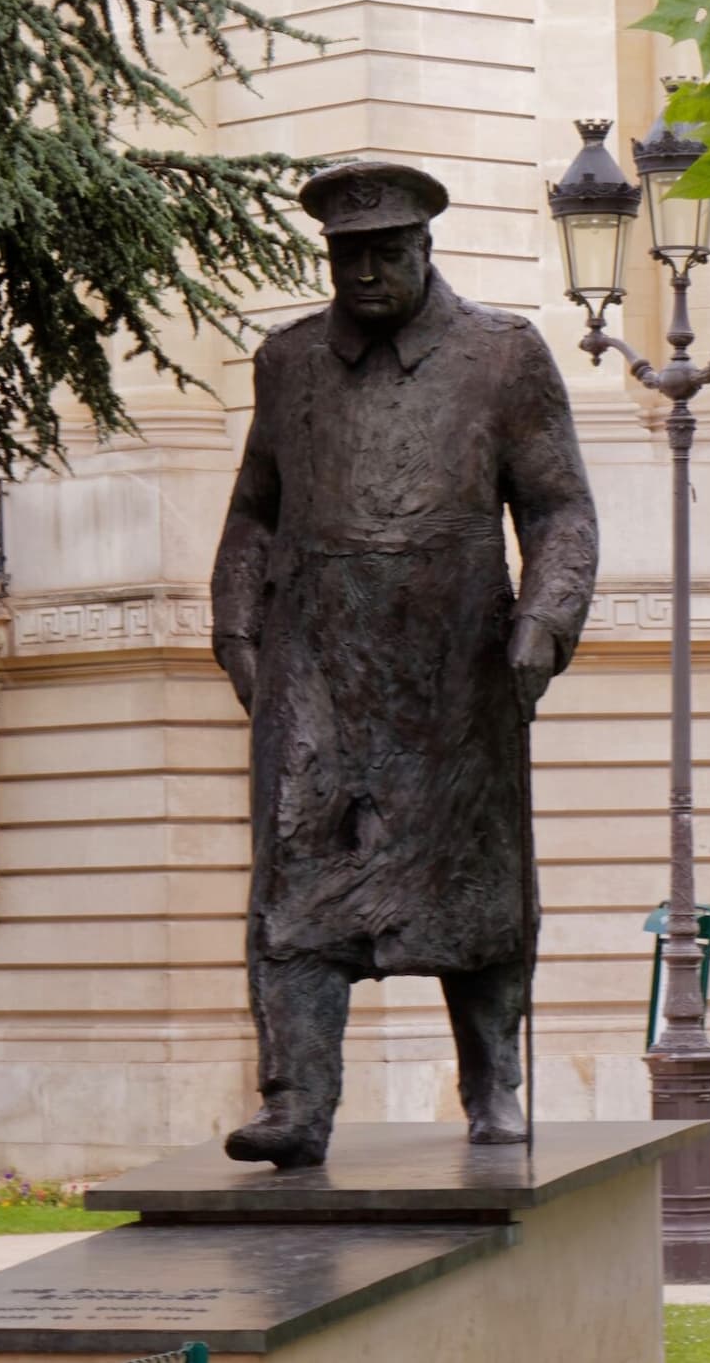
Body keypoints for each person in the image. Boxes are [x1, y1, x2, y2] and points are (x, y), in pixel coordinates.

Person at [210, 160, 599, 1168]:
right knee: (296, 873)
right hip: (316, 661)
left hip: (456, 663)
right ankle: (296, 1098)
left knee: (477, 879)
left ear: (426, 250)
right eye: (348, 255)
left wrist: (544, 626)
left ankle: (494, 1081)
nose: (366, 271)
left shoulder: (503, 354)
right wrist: (234, 626)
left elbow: (558, 507)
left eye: (387, 252)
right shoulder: (287, 361)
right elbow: (256, 508)